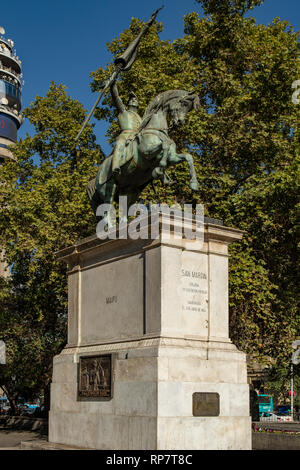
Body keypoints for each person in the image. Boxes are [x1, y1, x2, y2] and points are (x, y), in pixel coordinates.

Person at [110, 80, 142, 175]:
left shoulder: (141, 118)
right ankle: (115, 165)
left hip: (137, 137)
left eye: (135, 100)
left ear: (138, 104)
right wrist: (113, 85)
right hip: (125, 135)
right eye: (131, 99)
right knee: (120, 143)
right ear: (128, 103)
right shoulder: (124, 112)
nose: (133, 100)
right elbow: (116, 98)